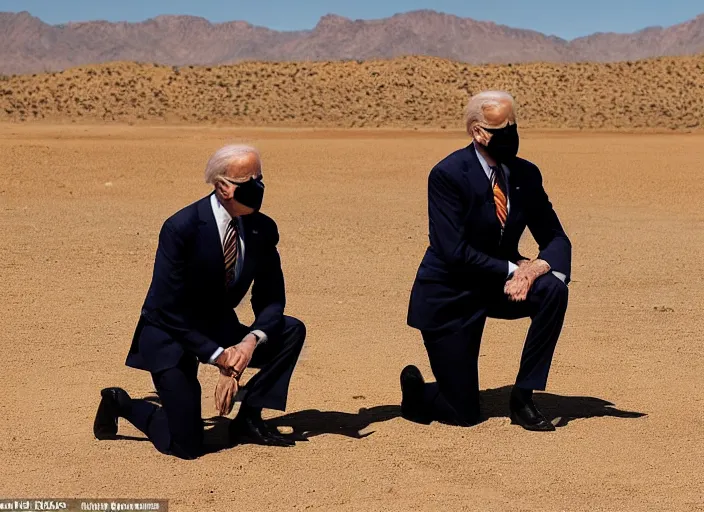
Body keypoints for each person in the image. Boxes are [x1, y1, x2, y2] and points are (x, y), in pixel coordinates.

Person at [93, 144, 306, 458]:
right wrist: (221, 358)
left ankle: (248, 417)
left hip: (217, 325)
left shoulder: (262, 229)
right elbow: (167, 310)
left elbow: (272, 298)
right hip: (170, 333)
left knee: (290, 331)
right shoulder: (181, 228)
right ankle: (122, 403)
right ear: (223, 186)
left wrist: (248, 344)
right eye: (250, 182)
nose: (259, 188)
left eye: (261, 179)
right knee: (187, 445)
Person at [402, 91, 571, 432]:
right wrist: (515, 269)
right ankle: (417, 393)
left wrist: (537, 267)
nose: (511, 135)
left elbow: (555, 238)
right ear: (478, 132)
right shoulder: (448, 174)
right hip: (451, 294)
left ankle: (522, 397)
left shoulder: (525, 174)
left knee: (553, 289)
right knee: (463, 412)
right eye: (501, 129)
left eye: (513, 126)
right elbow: (453, 251)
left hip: (497, 285)